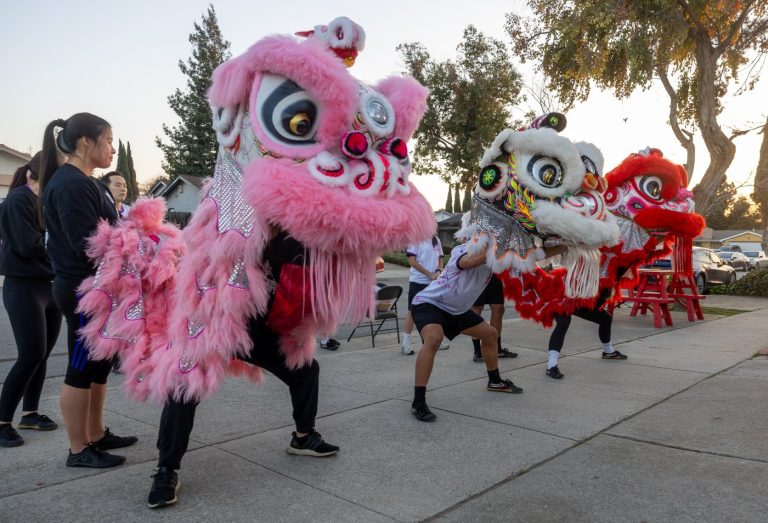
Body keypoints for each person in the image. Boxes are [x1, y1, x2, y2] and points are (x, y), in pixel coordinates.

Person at [39, 113, 137, 467]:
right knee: (80, 368)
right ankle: (78, 449)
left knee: (97, 366)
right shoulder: (70, 184)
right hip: (82, 290)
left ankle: (96, 433)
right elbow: (89, 243)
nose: (112, 148)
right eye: (109, 140)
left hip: (97, 288)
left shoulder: (89, 183)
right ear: (85, 142)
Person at [409, 243, 526, 422]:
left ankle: (494, 381)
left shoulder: (499, 251)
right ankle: (418, 402)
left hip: (456, 310)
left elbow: (531, 255)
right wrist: (502, 247)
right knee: (434, 338)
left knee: (490, 334)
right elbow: (467, 262)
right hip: (430, 303)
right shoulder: (464, 248)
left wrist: (567, 244)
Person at [0, 153, 63, 447]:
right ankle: (2, 421)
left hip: (48, 286)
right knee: (30, 354)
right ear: (34, 176)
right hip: (23, 288)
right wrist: (62, 244)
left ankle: (30, 413)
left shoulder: (46, 203)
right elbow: (28, 246)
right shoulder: (17, 201)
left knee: (42, 354)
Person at [546, 287, 627, 379]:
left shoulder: (604, 280)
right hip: (562, 296)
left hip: (580, 300)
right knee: (563, 323)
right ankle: (551, 366)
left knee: (606, 319)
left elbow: (595, 305)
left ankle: (608, 351)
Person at [401, 236, 449, 355]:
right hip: (418, 281)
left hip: (433, 282)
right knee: (412, 312)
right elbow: (412, 261)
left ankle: (431, 341)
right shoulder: (416, 239)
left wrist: (438, 271)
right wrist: (429, 274)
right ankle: (405, 344)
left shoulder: (436, 239)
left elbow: (440, 260)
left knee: (433, 312)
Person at [469, 274, 518, 362]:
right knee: (476, 309)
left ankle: (497, 349)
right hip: (476, 272)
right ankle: (477, 352)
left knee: (499, 308)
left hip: (494, 273)